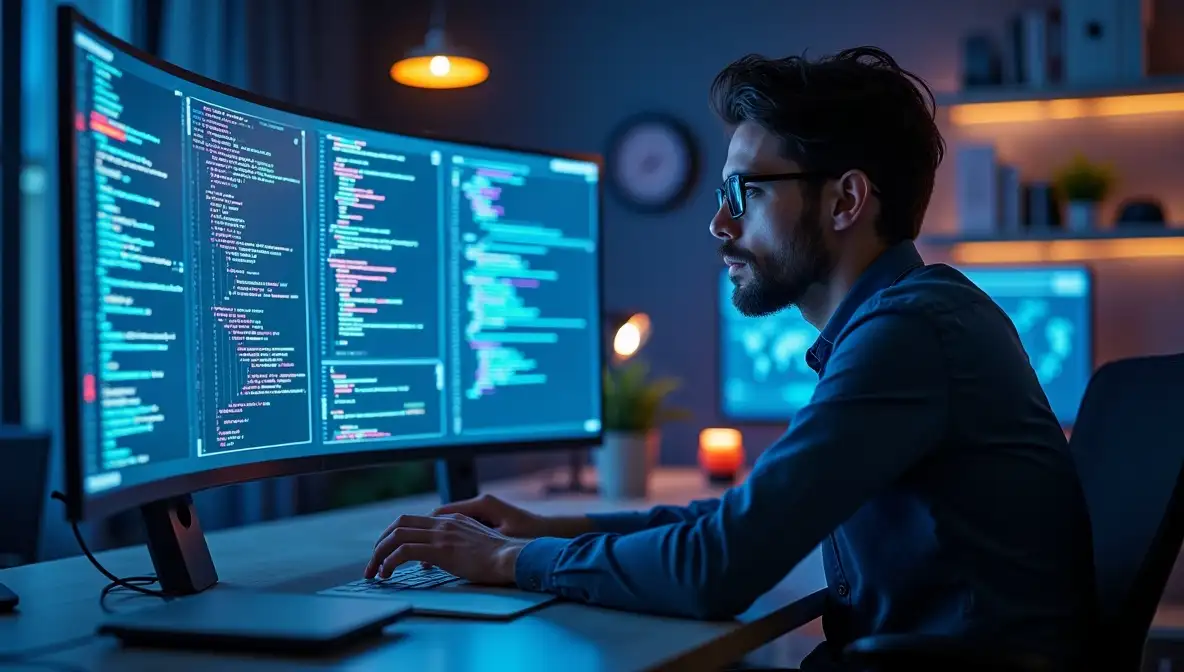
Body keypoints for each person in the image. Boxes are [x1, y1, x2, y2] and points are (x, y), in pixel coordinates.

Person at [366, 47, 1096, 670]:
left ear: (846, 200)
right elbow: (740, 520)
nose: (719, 222)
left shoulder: (910, 333)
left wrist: (502, 562)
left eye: (744, 192)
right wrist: (551, 529)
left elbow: (718, 567)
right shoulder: (910, 319)